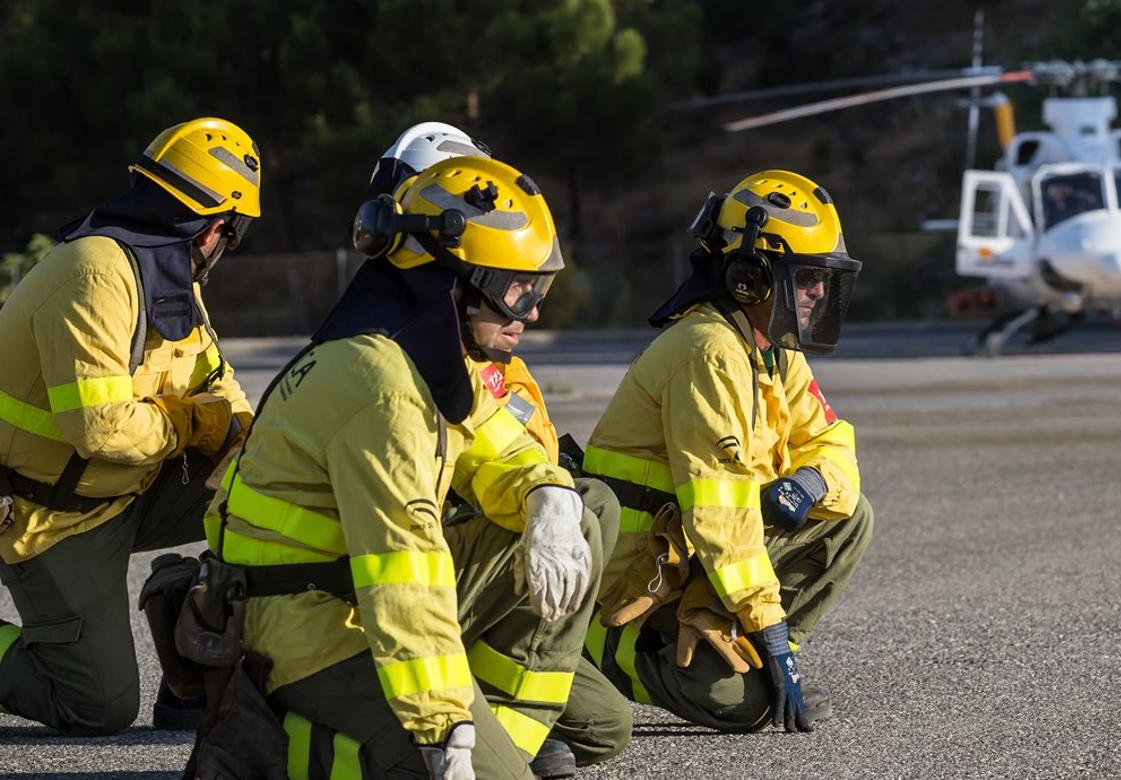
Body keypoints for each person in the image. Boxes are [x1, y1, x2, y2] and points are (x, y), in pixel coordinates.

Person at [189, 154, 604, 780]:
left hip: (344, 595)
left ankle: (502, 748)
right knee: (441, 761)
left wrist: (548, 496)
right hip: (306, 627)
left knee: (581, 513)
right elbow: (403, 568)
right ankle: (269, 749)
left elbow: (501, 443)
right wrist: (442, 728)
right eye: (519, 290)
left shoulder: (432, 354)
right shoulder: (383, 384)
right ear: (453, 282)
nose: (534, 312)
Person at [367, 123, 631, 778]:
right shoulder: (380, 357)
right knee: (587, 503)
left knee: (605, 727)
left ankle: (493, 711)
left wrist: (543, 494)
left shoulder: (472, 348)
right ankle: (485, 735)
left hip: (469, 574)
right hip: (398, 597)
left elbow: (517, 439)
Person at [582, 169, 874, 734]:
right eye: (808, 277)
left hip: (690, 559)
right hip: (634, 587)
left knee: (850, 517)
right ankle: (600, 658)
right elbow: (720, 513)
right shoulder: (708, 352)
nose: (818, 292)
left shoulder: (772, 349)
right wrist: (773, 635)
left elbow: (832, 441)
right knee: (741, 706)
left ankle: (751, 658)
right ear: (750, 279)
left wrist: (811, 481)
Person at [0, 118, 260, 734]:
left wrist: (248, 438)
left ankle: (183, 642)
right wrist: (196, 422)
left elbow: (216, 384)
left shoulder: (168, 279)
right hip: (49, 516)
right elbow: (100, 428)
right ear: (214, 227)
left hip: (127, 491)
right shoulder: (96, 273)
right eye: (235, 232)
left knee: (275, 486)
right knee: (98, 707)